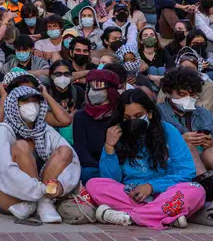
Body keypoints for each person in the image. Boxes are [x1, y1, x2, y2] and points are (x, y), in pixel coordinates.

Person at [86, 89, 205, 229]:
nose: (132, 121)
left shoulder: (168, 131)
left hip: (165, 192)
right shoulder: (118, 134)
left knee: (196, 190)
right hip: (130, 194)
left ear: (149, 114)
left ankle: (130, 217)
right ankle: (166, 215)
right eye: (127, 117)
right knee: (94, 184)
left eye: (138, 116)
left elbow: (186, 172)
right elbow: (111, 179)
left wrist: (151, 186)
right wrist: (109, 146)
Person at [0, 85, 81, 222]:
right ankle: (39, 200)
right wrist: (40, 189)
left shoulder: (44, 129)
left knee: (65, 151)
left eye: (35, 101)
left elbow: (71, 157)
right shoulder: (3, 129)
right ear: (15, 104)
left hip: (44, 193)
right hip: (10, 194)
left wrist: (61, 186)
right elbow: (5, 168)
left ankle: (42, 203)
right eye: (25, 102)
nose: (31, 106)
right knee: (21, 146)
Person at [157, 67, 213, 177]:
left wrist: (212, 144)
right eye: (182, 94)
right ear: (168, 92)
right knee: (188, 148)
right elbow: (151, 150)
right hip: (173, 166)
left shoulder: (204, 114)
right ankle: (204, 187)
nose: (187, 99)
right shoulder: (157, 114)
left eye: (192, 95)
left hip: (206, 162)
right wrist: (179, 142)